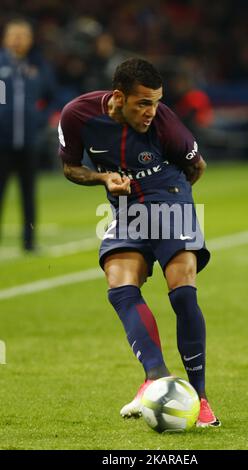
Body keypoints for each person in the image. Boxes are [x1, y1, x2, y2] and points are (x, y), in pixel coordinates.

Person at [58, 58, 220, 427]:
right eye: (143, 103)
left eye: (157, 101)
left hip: (170, 196)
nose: (152, 111)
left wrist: (171, 208)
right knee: (120, 285)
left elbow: (198, 167)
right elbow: (70, 168)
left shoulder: (166, 125)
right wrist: (103, 179)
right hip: (127, 207)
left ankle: (202, 398)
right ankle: (157, 377)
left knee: (182, 291)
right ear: (118, 97)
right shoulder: (78, 115)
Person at [0, 18, 56, 251]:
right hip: (1, 142)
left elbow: (53, 95)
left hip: (29, 142)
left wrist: (40, 119)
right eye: (14, 34)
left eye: (23, 35)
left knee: (29, 194)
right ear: (5, 38)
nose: (18, 39)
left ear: (30, 40)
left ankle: (29, 241)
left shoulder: (38, 66)